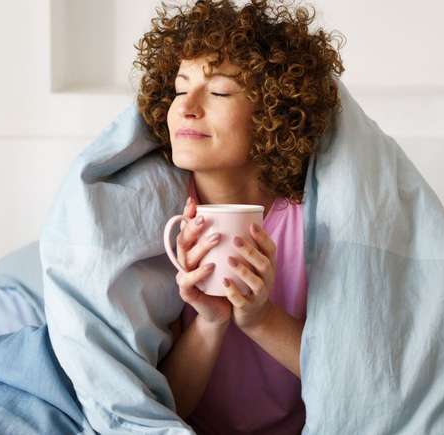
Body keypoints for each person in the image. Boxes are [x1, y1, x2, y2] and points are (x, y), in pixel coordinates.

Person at [133, 0, 344, 433]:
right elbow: (162, 407)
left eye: (220, 92)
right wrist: (210, 321)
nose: (187, 106)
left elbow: (353, 379)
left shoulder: (316, 218)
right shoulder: (155, 215)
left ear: (273, 114)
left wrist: (261, 318)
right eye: (179, 87)